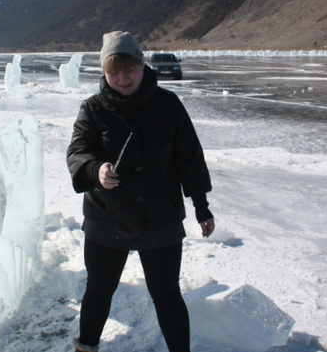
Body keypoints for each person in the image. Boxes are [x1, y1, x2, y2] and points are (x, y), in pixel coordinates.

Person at [66, 31, 215, 352]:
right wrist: (97, 170)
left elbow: (189, 158)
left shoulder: (168, 105)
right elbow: (78, 153)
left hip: (160, 219)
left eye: (129, 69)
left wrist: (201, 206)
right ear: (104, 72)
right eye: (113, 71)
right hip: (107, 220)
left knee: (166, 294)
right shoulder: (93, 109)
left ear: (143, 66)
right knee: (99, 290)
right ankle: (85, 348)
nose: (122, 78)